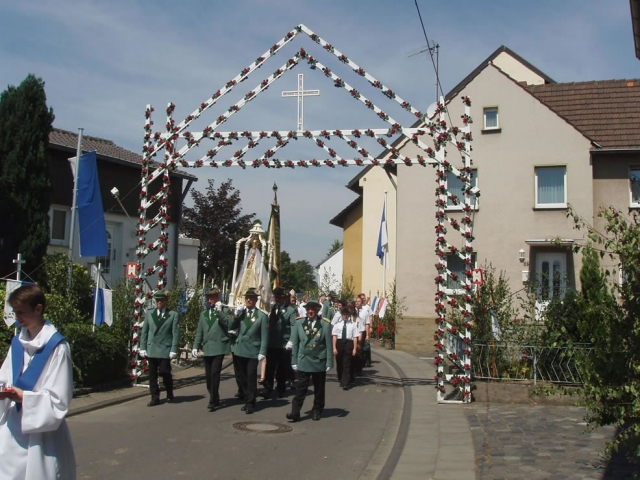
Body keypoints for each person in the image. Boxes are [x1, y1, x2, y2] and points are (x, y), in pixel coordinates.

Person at [0, 284, 76, 479]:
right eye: (15, 313)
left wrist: (23, 397)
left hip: (42, 437)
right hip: (12, 430)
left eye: (22, 312)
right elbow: (5, 377)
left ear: (38, 309)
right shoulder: (17, 343)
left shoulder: (57, 347)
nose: (17, 318)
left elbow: (59, 401)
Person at [286, 298, 333, 422]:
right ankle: (295, 412)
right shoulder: (299, 323)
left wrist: (329, 362)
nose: (311, 311)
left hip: (318, 360)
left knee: (319, 388)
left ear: (318, 310)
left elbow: (329, 344)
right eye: (309, 309)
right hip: (304, 359)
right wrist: (294, 361)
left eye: (313, 309)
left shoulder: (325, 324)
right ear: (306, 310)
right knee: (301, 387)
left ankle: (317, 410)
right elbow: (295, 343)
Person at [192, 287, 233, 411]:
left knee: (215, 374)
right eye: (207, 298)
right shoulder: (204, 314)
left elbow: (228, 324)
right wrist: (195, 346)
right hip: (208, 348)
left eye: (211, 298)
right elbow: (200, 332)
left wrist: (220, 311)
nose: (209, 300)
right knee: (209, 377)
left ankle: (212, 400)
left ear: (217, 298)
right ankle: (214, 396)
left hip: (219, 347)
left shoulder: (225, 310)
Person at [230, 288, 268, 414]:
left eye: (251, 298)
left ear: (256, 300)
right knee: (242, 377)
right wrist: (236, 315)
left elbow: (264, 336)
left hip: (253, 350)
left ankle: (251, 402)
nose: (248, 300)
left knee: (251, 375)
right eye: (247, 298)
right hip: (240, 350)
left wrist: (262, 352)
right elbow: (231, 327)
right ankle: (247, 398)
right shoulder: (241, 313)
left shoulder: (262, 316)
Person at [139, 290, 180, 406]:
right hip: (152, 348)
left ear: (166, 301)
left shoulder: (173, 315)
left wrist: (173, 349)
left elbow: (175, 333)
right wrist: (142, 347)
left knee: (164, 372)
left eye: (161, 300)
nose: (159, 302)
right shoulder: (150, 313)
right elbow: (145, 332)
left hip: (165, 349)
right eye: (157, 300)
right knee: (152, 375)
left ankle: (169, 390)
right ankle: (154, 397)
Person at [262, 287, 297, 399]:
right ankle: (268, 388)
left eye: (279, 297)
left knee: (282, 368)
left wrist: (291, 341)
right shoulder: (274, 308)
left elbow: (294, 327)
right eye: (276, 297)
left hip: (283, 344)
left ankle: (281, 388)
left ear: (284, 298)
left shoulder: (291, 311)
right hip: (272, 343)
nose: (277, 299)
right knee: (269, 367)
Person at [332, 307, 359, 390]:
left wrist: (354, 348)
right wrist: (334, 348)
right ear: (341, 315)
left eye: (347, 315)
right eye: (344, 315)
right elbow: (334, 336)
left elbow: (355, 337)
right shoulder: (337, 325)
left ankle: (346, 382)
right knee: (339, 363)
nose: (345, 316)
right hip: (339, 343)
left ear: (349, 315)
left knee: (347, 363)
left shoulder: (353, 325)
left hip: (348, 343)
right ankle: (341, 378)